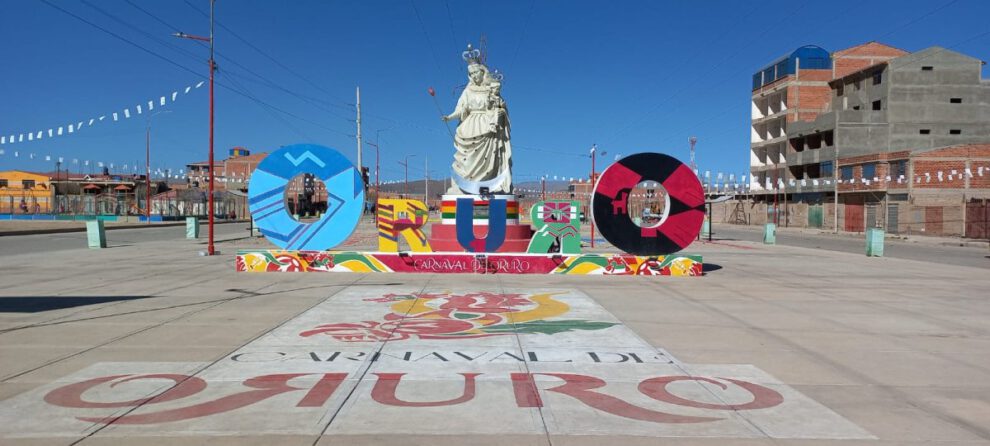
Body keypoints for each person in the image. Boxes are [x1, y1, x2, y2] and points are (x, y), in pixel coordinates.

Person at [441, 45, 512, 194]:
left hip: (487, 125)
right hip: (470, 125)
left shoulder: (490, 89)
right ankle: (466, 183)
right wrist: (450, 117)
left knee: (488, 156)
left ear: (482, 73)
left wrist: (500, 113)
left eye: (476, 73)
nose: (474, 76)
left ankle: (487, 182)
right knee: (467, 157)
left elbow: (499, 106)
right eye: (471, 74)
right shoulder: (468, 91)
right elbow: (461, 109)